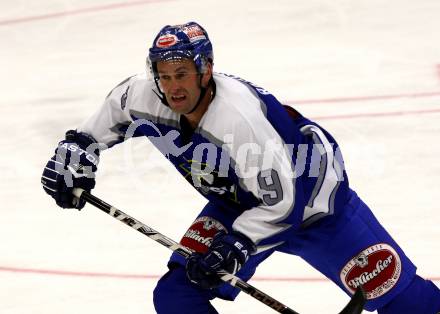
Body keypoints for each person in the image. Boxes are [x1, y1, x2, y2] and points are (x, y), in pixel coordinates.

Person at [41, 22, 440, 313]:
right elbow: (95, 131)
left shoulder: (239, 119)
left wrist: (236, 245)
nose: (172, 87)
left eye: (182, 74)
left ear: (206, 69)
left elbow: (284, 204)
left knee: (409, 303)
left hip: (315, 206)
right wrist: (75, 156)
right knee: (179, 293)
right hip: (238, 203)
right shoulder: (140, 95)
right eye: (164, 76)